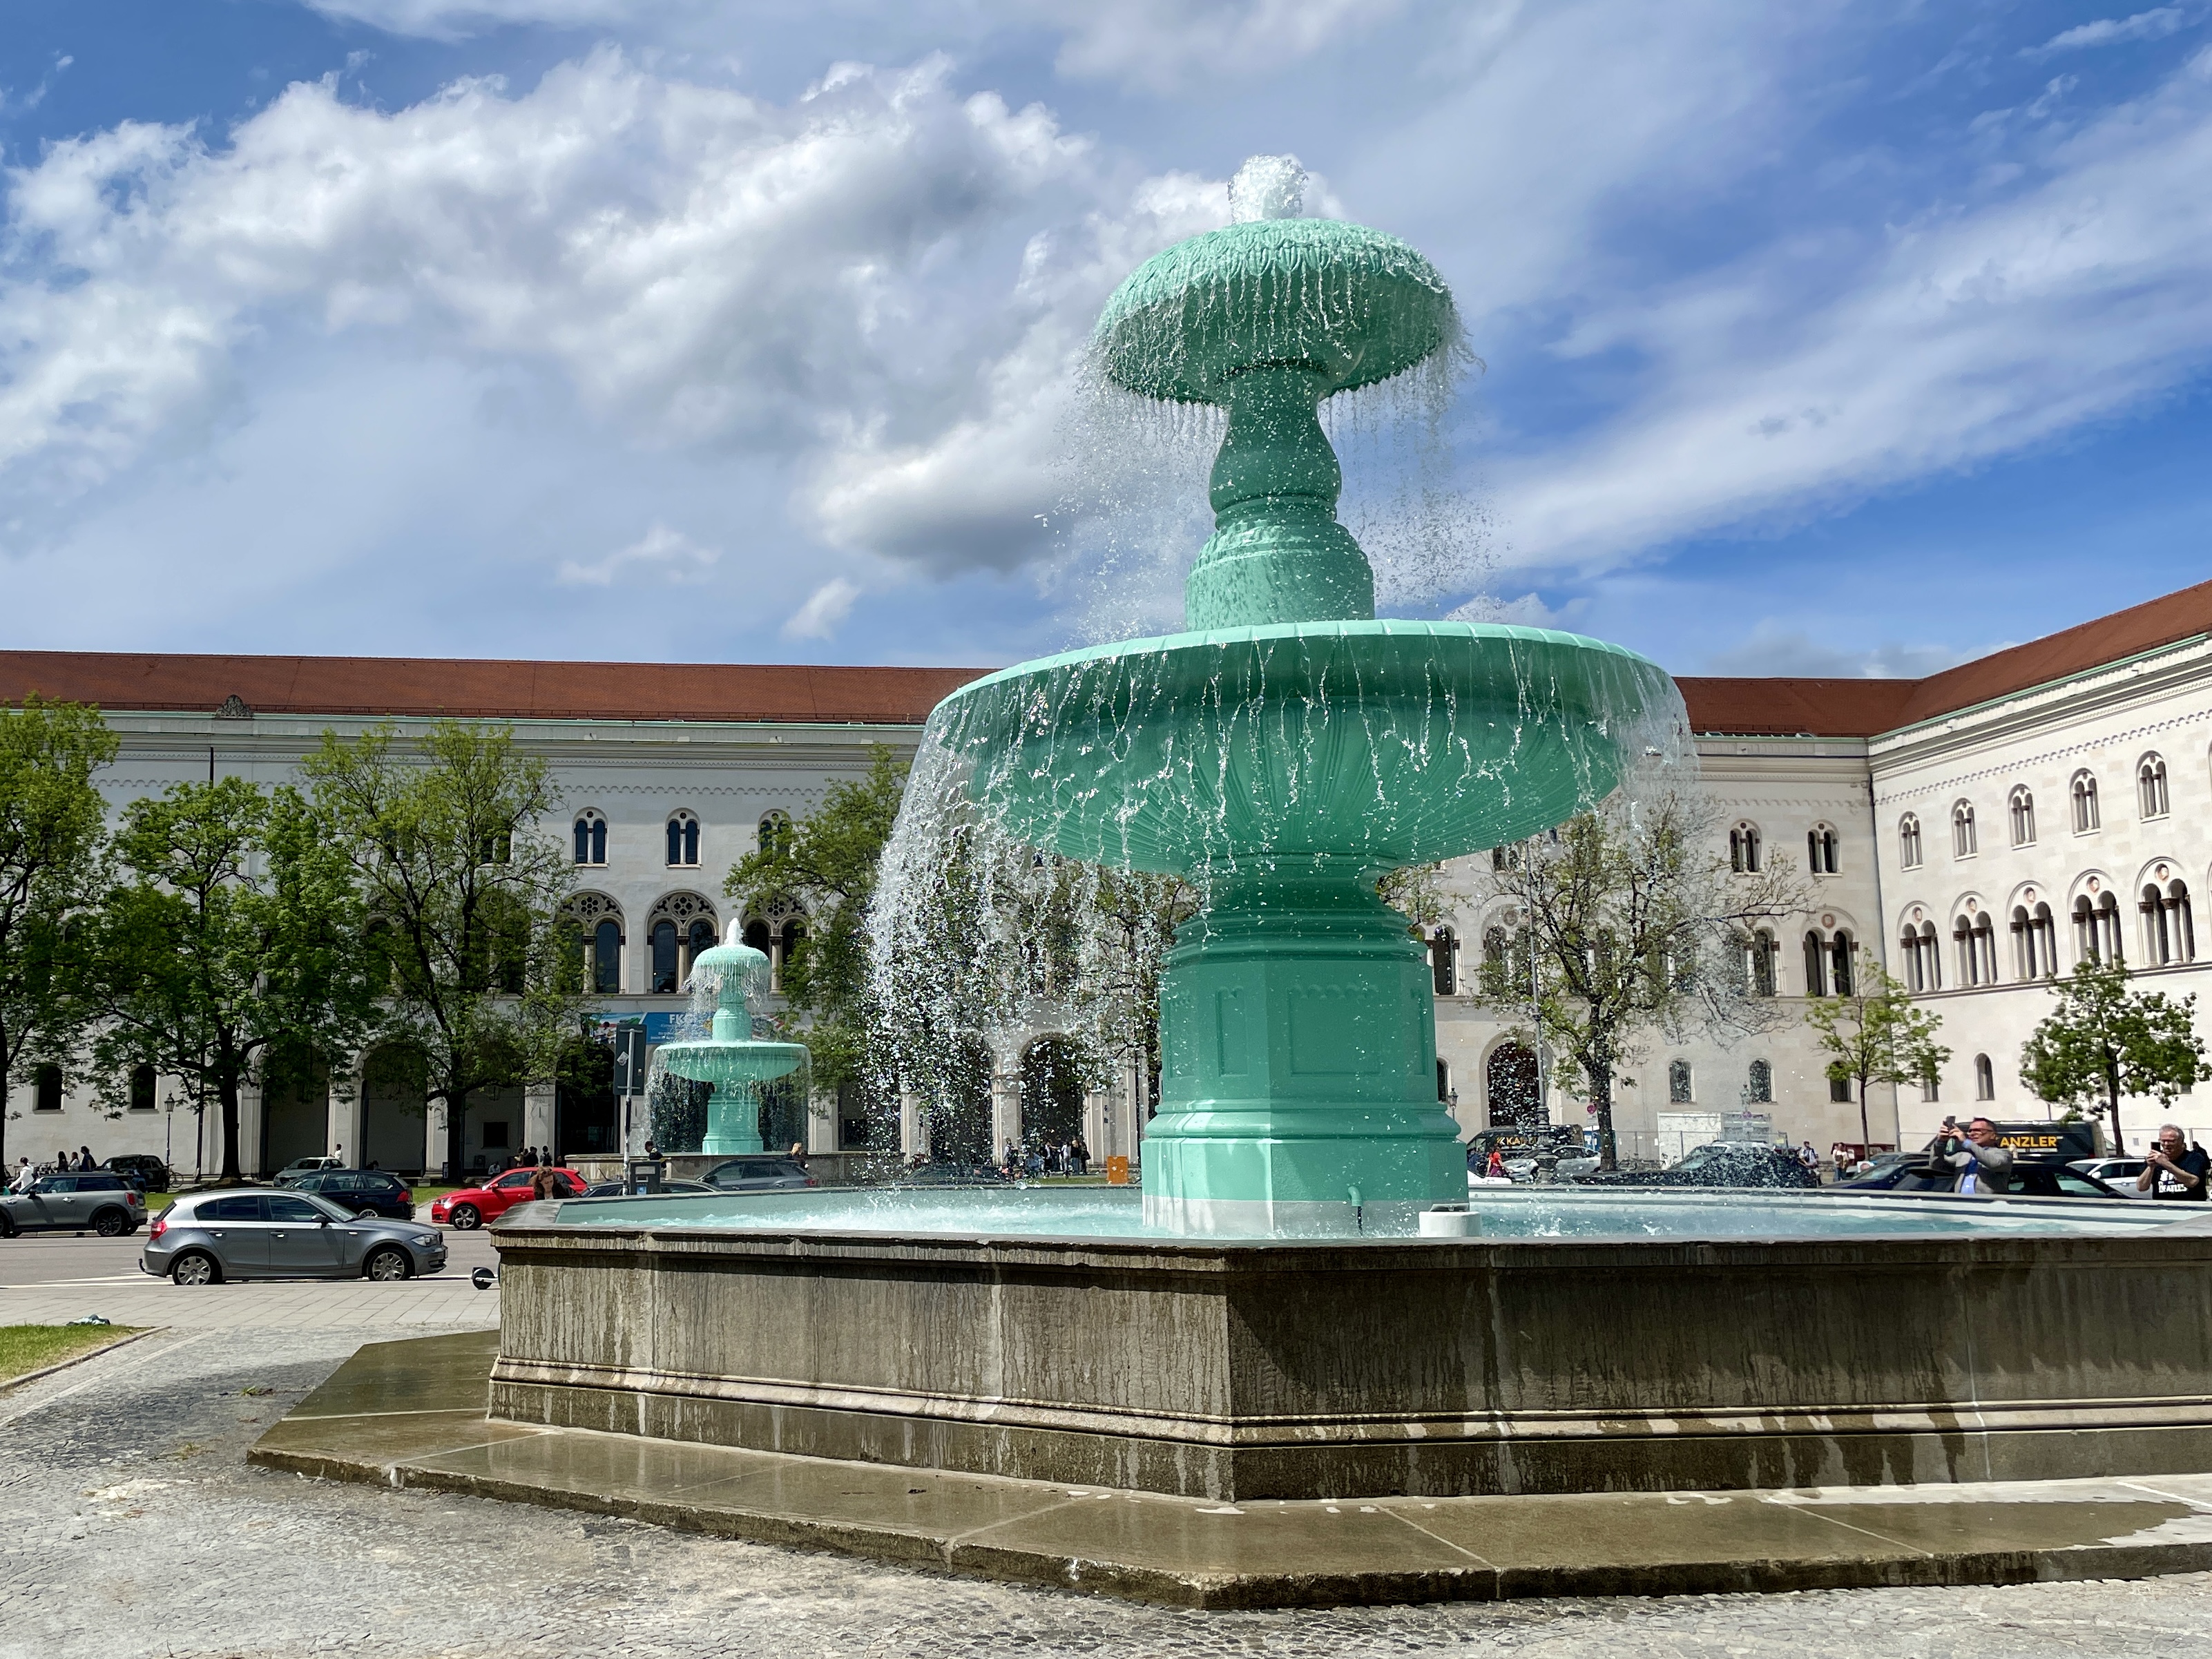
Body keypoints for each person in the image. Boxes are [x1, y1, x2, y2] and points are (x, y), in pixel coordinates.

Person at [1930, 1115, 2014, 1195]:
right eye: (1970, 1131)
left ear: (1993, 1135)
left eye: (1979, 1130)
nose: (1972, 1134)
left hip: (1988, 1205)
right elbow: (1937, 1165)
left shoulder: (2004, 1154)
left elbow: (1994, 1163)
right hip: (1962, 1204)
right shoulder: (1963, 1156)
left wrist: (1965, 1142)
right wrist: (1941, 1143)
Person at [2136, 1124, 2209, 1200]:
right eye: (2163, 1141)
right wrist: (2151, 1167)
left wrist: (2165, 1163)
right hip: (2163, 1208)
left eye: (2171, 1141)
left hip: (2190, 1207)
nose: (2166, 1145)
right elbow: (2141, 1188)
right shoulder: (2157, 1159)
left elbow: (2192, 1181)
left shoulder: (2194, 1158)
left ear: (2181, 1141)